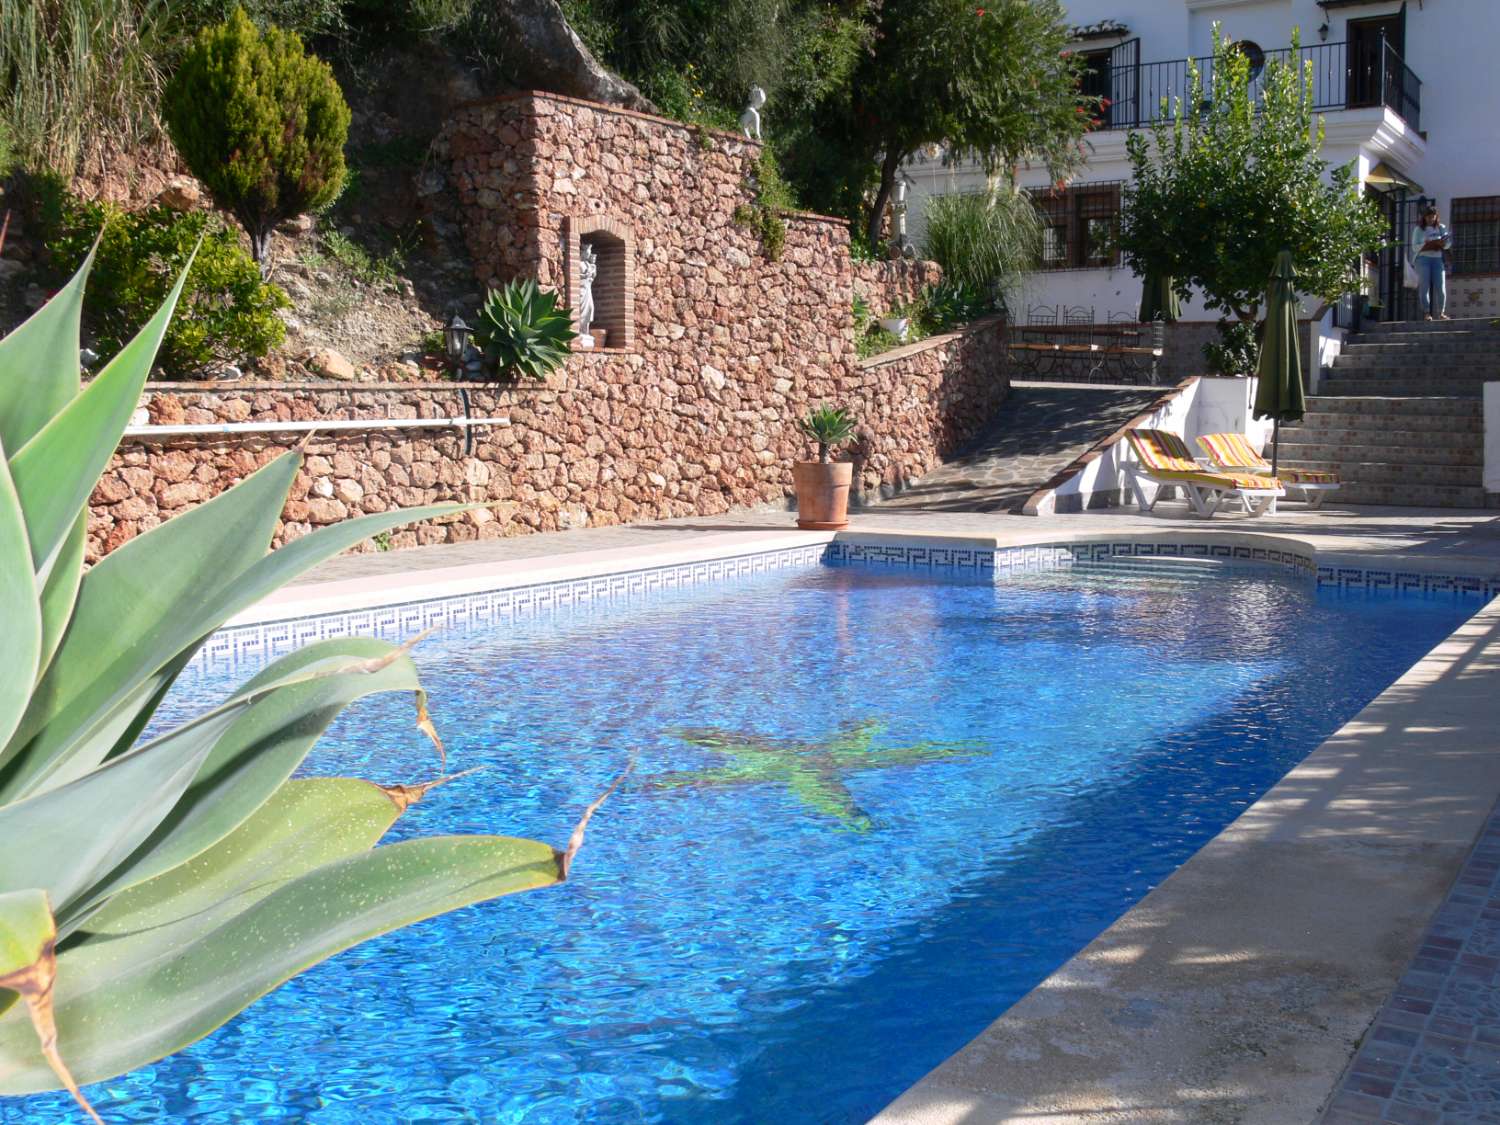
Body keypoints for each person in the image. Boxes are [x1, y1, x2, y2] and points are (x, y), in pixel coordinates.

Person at [1411, 204, 1452, 320]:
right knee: (1424, 287)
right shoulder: (1418, 229)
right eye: (1428, 217)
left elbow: (1448, 244)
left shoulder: (1441, 227)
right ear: (1424, 217)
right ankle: (1427, 313)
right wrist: (1427, 244)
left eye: (1432, 216)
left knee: (1441, 287)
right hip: (1422, 259)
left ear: (1436, 216)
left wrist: (1443, 243)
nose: (1430, 219)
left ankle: (1441, 313)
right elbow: (1414, 247)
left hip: (1437, 259)